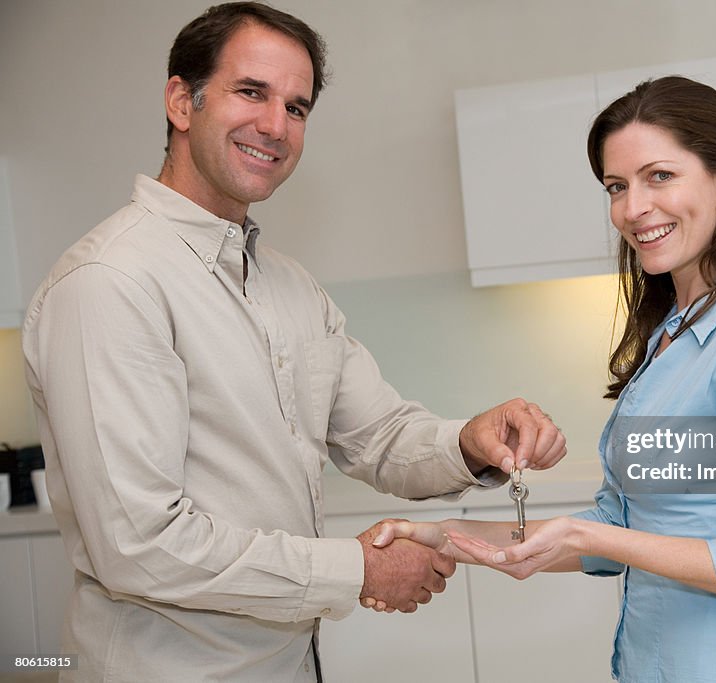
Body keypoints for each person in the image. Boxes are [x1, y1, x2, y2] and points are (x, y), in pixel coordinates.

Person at [20, 3, 565, 681]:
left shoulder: (291, 287)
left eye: (297, 107)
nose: (276, 125)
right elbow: (139, 543)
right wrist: (357, 567)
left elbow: (381, 436)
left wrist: (469, 441)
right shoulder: (109, 284)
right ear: (181, 102)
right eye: (251, 92)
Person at [369, 76, 716, 681]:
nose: (632, 208)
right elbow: (618, 526)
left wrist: (600, 539)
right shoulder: (673, 332)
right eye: (617, 186)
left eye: (659, 176)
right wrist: (443, 533)